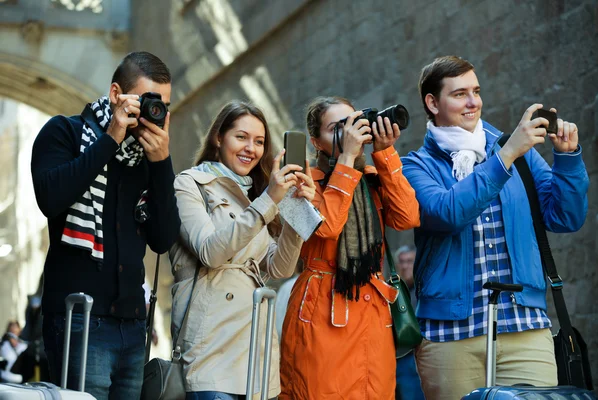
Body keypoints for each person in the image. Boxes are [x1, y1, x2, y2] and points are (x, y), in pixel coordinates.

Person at [401, 55, 589, 399]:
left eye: (476, 91)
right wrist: (505, 156)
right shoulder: (415, 166)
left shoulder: (519, 151)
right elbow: (447, 212)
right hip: (449, 335)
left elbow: (565, 217)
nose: (473, 102)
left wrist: (568, 158)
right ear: (432, 102)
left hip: (524, 327)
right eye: (459, 94)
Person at [31, 51, 181, 399]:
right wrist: (110, 139)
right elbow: (51, 199)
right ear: (116, 94)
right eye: (146, 101)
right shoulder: (64, 133)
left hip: (131, 327)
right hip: (79, 320)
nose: (153, 112)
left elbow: (163, 239)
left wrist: (161, 163)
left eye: (163, 104)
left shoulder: (146, 158)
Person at [169, 100, 316, 400]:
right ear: (218, 137)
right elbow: (210, 252)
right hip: (212, 347)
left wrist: (295, 205)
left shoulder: (255, 196)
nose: (251, 148)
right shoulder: (190, 184)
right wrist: (268, 201)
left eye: (259, 142)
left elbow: (280, 268)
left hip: (255, 350)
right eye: (241, 137)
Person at [279, 96, 421, 399]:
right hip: (323, 307)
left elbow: (408, 217)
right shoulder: (300, 183)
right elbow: (327, 226)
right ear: (316, 142)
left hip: (372, 311)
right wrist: (346, 160)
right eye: (336, 128)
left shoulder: (371, 179)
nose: (349, 134)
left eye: (352, 123)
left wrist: (384, 152)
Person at [392, 245, 425, 400]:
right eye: (401, 261)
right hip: (395, 354)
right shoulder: (393, 291)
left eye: (409, 261)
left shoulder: (424, 290)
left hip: (416, 355)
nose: (405, 266)